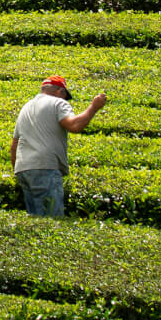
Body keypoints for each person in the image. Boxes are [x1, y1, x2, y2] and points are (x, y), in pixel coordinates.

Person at [10, 75, 107, 219]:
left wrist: (17, 170)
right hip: (45, 167)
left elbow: (14, 145)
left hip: (24, 169)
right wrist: (94, 107)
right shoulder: (58, 103)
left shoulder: (26, 107)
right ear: (60, 92)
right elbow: (74, 125)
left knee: (35, 222)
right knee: (52, 222)